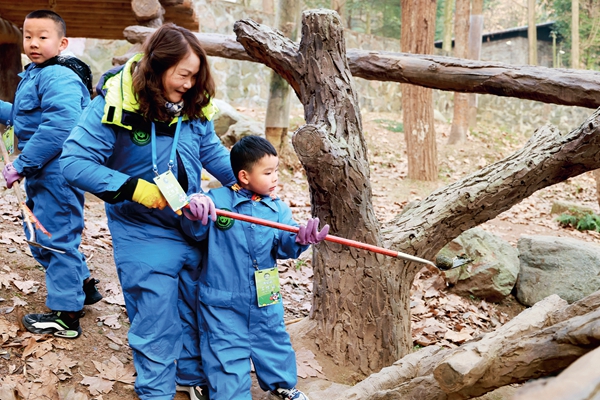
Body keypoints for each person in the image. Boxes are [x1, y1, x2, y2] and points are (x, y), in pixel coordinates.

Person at [60, 23, 236, 400]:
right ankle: (155, 392)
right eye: (184, 74)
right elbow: (73, 162)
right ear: (158, 66)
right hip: (141, 229)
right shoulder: (115, 103)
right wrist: (136, 189)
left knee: (194, 306)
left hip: (191, 225)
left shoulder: (193, 107)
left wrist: (244, 180)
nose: (190, 84)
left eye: (195, 76)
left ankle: (190, 378)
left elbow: (212, 154)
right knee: (156, 317)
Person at [181, 136, 330, 400]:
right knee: (225, 354)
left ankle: (282, 386)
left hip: (265, 294)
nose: (275, 178)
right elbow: (195, 233)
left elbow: (284, 247)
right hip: (221, 299)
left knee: (273, 339)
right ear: (244, 175)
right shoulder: (217, 200)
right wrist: (195, 212)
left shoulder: (277, 209)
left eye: (276, 171)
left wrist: (299, 239)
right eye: (268, 172)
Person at [0, 9, 101, 340]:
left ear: (62, 42)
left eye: (43, 37)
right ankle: (81, 285)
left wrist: (21, 164)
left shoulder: (59, 76)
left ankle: (66, 315)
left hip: (57, 173)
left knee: (54, 240)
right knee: (49, 236)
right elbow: (25, 117)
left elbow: (60, 125)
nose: (33, 43)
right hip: (44, 174)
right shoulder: (38, 73)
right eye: (28, 36)